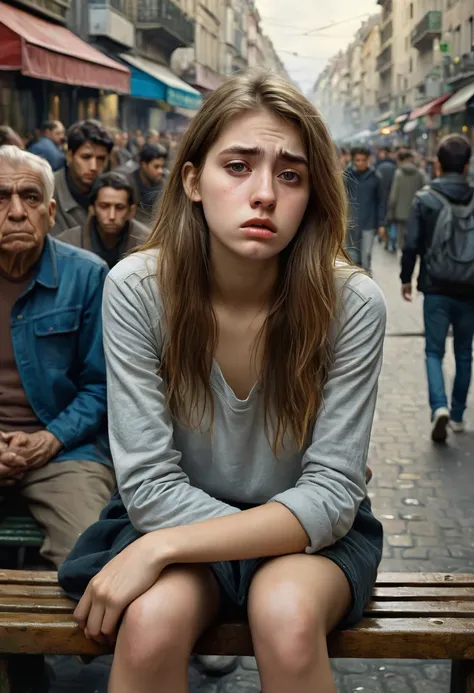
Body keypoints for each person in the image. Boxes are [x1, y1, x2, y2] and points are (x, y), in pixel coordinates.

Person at [58, 70, 385, 693]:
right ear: (192, 181)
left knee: (285, 615)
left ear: (312, 195)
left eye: (290, 175)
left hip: (309, 541)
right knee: (151, 623)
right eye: (238, 166)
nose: (264, 193)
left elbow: (334, 492)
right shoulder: (136, 287)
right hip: (173, 519)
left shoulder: (352, 303)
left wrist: (158, 552)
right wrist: (166, 543)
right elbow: (148, 485)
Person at [0, 146, 115, 568]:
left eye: (30, 198)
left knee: (91, 561)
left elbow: (102, 385)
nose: (16, 212)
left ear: (51, 212)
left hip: (66, 450)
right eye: (1, 197)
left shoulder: (88, 275)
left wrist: (50, 440)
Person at [401, 134, 474, 443]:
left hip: (436, 288)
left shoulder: (425, 198)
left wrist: (406, 278)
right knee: (464, 352)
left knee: (433, 350)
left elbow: (412, 244)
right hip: (470, 289)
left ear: (439, 165)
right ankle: (457, 415)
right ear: (468, 165)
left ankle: (439, 406)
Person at [57, 172, 149, 269]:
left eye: (119, 207)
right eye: (104, 206)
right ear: (92, 208)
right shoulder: (68, 243)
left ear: (131, 211)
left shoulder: (147, 243)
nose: (112, 216)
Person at [51, 120, 114, 236]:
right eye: (86, 157)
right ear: (70, 156)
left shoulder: (112, 192)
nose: (94, 167)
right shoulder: (48, 192)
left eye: (101, 159)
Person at [345, 146, 385, 274]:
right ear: (353, 160)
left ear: (368, 160)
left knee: (366, 257)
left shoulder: (375, 178)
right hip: (351, 224)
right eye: (357, 160)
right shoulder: (347, 177)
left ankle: (367, 284)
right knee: (352, 258)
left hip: (369, 223)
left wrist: (381, 224)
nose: (361, 163)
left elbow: (381, 202)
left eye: (363, 160)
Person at [387, 149, 426, 252]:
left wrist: (391, 212)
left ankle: (403, 261)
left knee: (401, 243)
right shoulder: (420, 173)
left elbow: (394, 196)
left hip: (401, 214)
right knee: (414, 240)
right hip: (416, 212)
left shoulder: (398, 173)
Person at [128, 143, 167, 226]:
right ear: (144, 165)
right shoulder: (129, 183)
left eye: (162, 167)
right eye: (156, 167)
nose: (160, 171)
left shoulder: (165, 185)